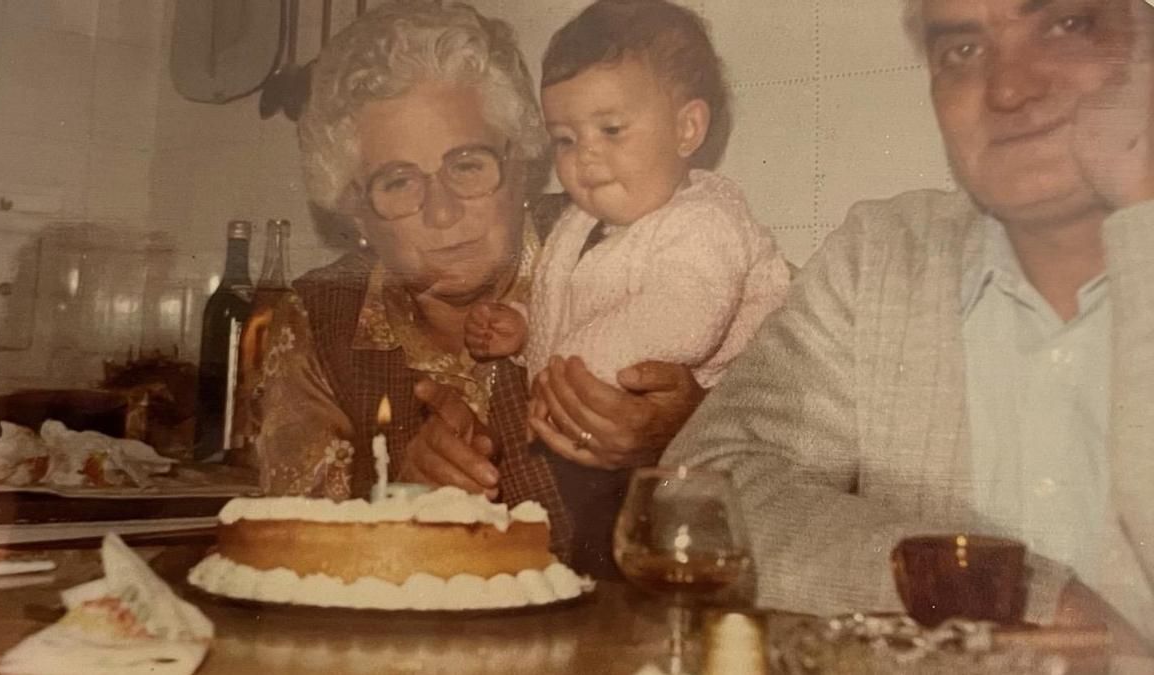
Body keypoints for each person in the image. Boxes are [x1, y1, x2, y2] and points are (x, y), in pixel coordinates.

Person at [664, 0, 1154, 653]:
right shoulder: (883, 258)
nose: (1008, 88)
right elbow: (703, 495)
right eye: (962, 51)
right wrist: (1001, 590)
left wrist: (1142, 216)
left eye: (1065, 25)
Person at [253, 0, 702, 559]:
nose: (442, 213)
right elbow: (290, 555)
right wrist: (402, 507)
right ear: (355, 211)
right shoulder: (319, 320)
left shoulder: (633, 244)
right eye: (398, 183)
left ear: (522, 167)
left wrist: (689, 429)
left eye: (467, 165)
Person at [462, 0, 789, 576]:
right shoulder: (581, 227)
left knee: (648, 565)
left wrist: (563, 367)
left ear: (687, 128)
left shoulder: (706, 221)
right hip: (601, 435)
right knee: (584, 560)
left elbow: (680, 321)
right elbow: (568, 304)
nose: (586, 155)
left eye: (611, 130)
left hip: (711, 454)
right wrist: (522, 327)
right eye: (565, 139)